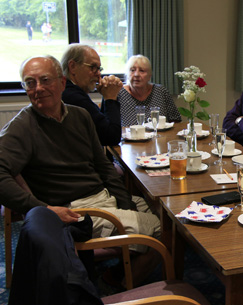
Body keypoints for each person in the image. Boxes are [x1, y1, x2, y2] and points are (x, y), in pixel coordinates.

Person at [0, 55, 160, 285]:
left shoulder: (80, 115)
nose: (38, 89)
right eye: (30, 83)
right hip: (75, 210)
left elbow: (103, 166)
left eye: (45, 80)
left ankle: (117, 272)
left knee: (166, 216)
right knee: (163, 232)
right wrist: (43, 211)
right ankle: (120, 286)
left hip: (102, 198)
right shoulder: (22, 127)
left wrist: (124, 202)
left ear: (62, 82)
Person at [61, 43, 122, 146]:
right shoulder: (74, 98)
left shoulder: (69, 90)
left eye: (99, 69)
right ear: (72, 67)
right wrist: (110, 98)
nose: (98, 74)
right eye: (93, 67)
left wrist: (106, 95)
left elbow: (102, 125)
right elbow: (111, 137)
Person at [118, 55, 181, 126]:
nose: (136, 74)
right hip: (129, 136)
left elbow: (176, 120)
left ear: (149, 76)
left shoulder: (161, 91)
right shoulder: (119, 94)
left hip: (160, 136)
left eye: (142, 71)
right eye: (132, 70)